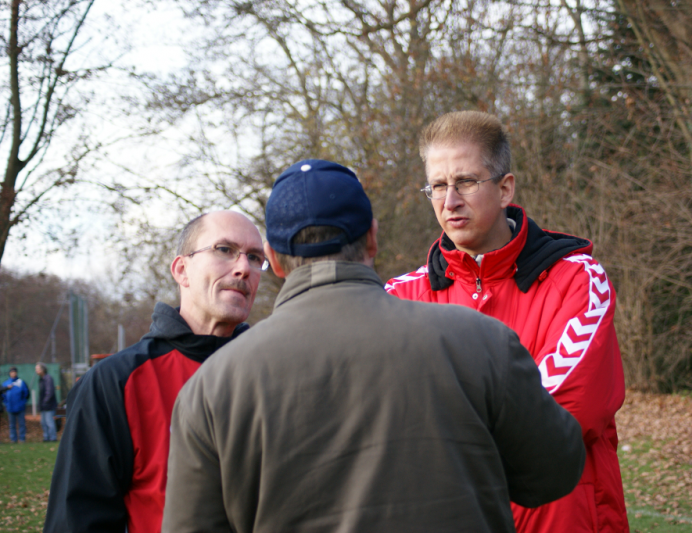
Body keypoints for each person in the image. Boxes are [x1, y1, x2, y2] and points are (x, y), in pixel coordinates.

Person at [162, 159, 586, 533]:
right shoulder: (481, 340)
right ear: (372, 239)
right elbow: (555, 471)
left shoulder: (211, 389)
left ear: (272, 259)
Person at [384, 111, 628, 533]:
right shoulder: (399, 298)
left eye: (465, 181)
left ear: (504, 188)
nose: (449, 201)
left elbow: (558, 418)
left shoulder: (578, 280)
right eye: (437, 186)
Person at [44, 210, 264, 533]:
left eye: (255, 257)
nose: (244, 267)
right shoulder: (114, 382)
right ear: (182, 270)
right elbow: (76, 521)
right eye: (224, 250)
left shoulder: (276, 377)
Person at [2, 367, 29, 443]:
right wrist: (7, 403)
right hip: (10, 408)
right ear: (9, 373)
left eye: (14, 372)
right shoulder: (6, 383)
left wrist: (22, 403)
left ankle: (22, 439)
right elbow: (3, 395)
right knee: (12, 425)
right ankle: (13, 439)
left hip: (20, 407)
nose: (13, 373)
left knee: (21, 424)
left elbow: (26, 394)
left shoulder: (21, 382)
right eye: (12, 372)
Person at [35, 363, 58, 442]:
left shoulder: (48, 379)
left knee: (49, 422)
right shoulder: (41, 379)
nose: (36, 371)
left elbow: (49, 392)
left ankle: (53, 438)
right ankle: (46, 437)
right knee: (43, 423)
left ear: (43, 370)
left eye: (38, 369)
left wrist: (45, 402)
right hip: (43, 406)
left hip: (49, 406)